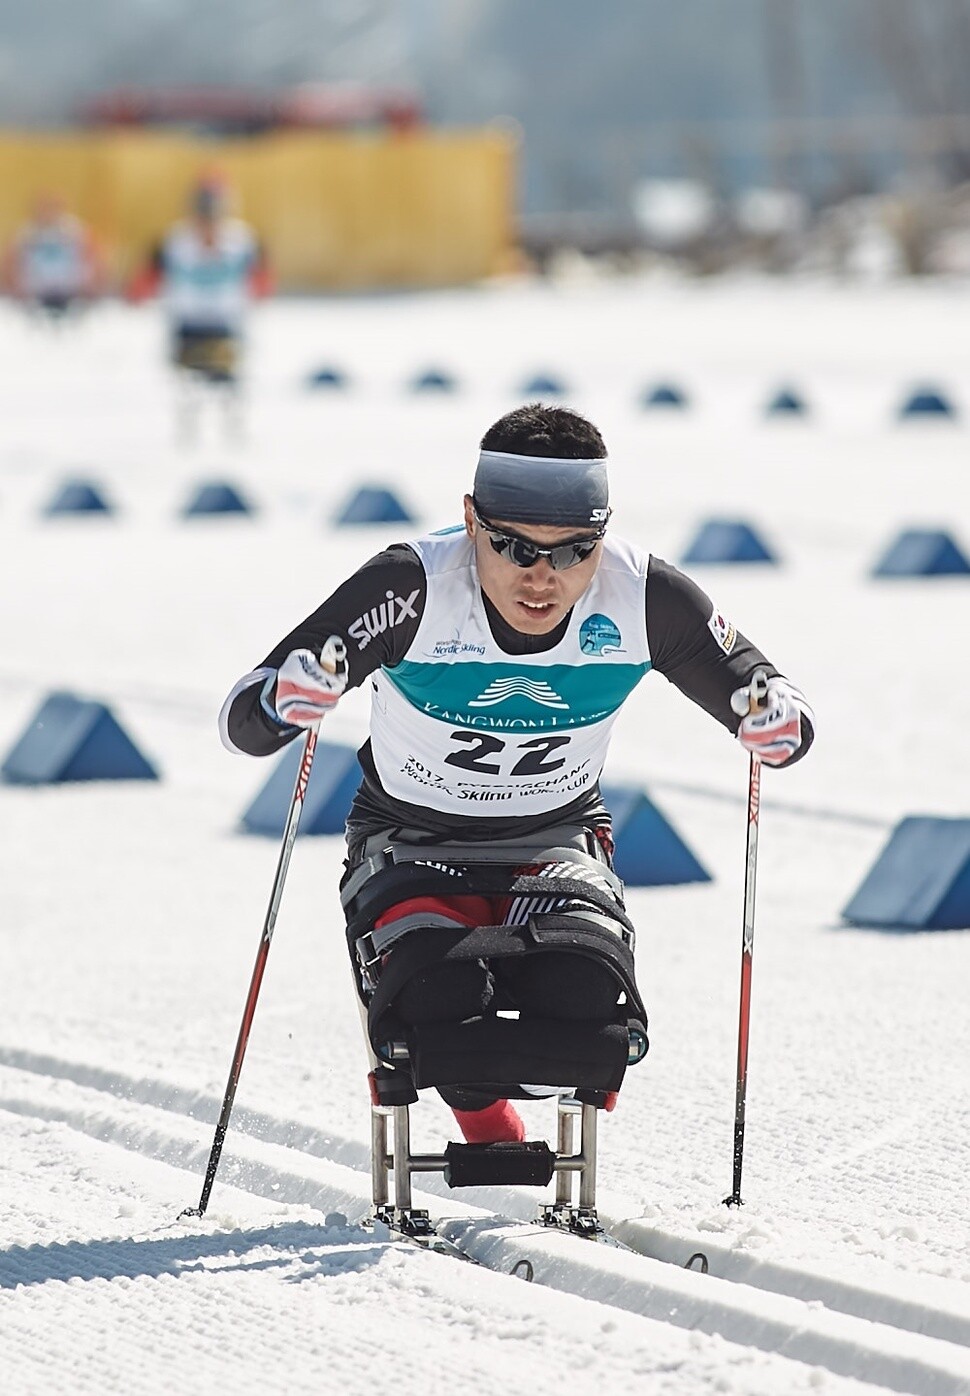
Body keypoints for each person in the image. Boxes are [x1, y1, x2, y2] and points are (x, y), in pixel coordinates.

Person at [220, 403, 814, 1145]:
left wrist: (776, 724)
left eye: (573, 552)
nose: (543, 579)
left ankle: (559, 1138)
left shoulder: (643, 595)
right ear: (470, 520)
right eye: (512, 547)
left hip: (554, 840)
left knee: (585, 998)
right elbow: (243, 717)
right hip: (413, 839)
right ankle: (486, 1122)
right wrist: (285, 701)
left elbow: (770, 703)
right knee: (437, 1006)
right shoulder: (412, 587)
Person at [127, 172, 272, 442]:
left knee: (228, 385)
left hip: (225, 326)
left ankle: (233, 432)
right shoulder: (174, 242)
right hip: (188, 326)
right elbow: (145, 281)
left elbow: (262, 282)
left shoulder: (243, 242)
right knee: (188, 388)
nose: (209, 221)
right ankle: (188, 432)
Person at [2, 193, 103, 320]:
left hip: (70, 294)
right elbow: (9, 263)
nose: (48, 213)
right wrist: (14, 290)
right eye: (44, 208)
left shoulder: (75, 231)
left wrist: (92, 288)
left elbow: (95, 261)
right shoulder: (25, 234)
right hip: (34, 296)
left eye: (51, 208)